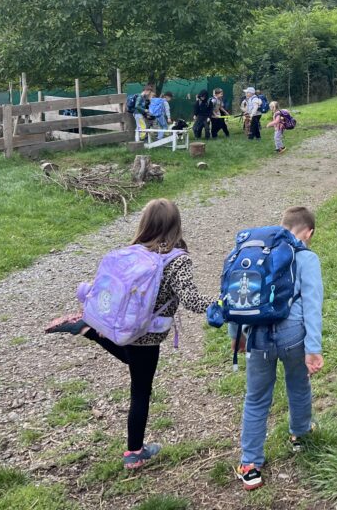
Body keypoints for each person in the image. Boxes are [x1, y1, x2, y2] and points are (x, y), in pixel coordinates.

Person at [44, 199, 215, 470]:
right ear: (176, 225)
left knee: (132, 363)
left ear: (145, 223)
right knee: (140, 391)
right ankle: (135, 453)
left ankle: (88, 328)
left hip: (124, 325)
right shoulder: (177, 260)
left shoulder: (133, 251)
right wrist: (222, 304)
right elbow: (192, 301)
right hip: (148, 334)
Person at [233, 206, 323, 491]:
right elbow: (312, 305)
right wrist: (313, 348)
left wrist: (237, 336)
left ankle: (250, 465)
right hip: (293, 336)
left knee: (256, 398)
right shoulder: (306, 257)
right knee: (298, 384)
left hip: (257, 336)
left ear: (283, 225)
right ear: (308, 233)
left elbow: (237, 295)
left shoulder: (254, 253)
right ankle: (300, 434)